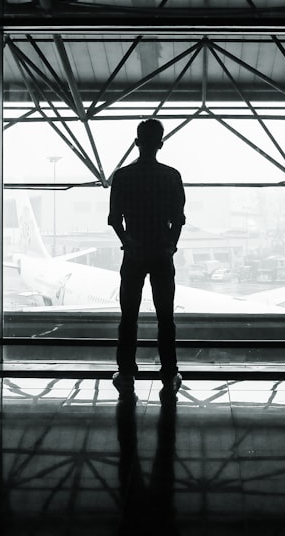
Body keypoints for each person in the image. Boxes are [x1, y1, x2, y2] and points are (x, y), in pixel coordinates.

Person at [108, 119, 186, 396]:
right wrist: (171, 246)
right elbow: (178, 219)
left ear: (137, 142)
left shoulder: (123, 176)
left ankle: (126, 372)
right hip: (162, 252)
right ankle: (169, 372)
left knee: (129, 315)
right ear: (161, 144)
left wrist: (127, 242)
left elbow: (115, 220)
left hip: (134, 252)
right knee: (166, 316)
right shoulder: (171, 176)